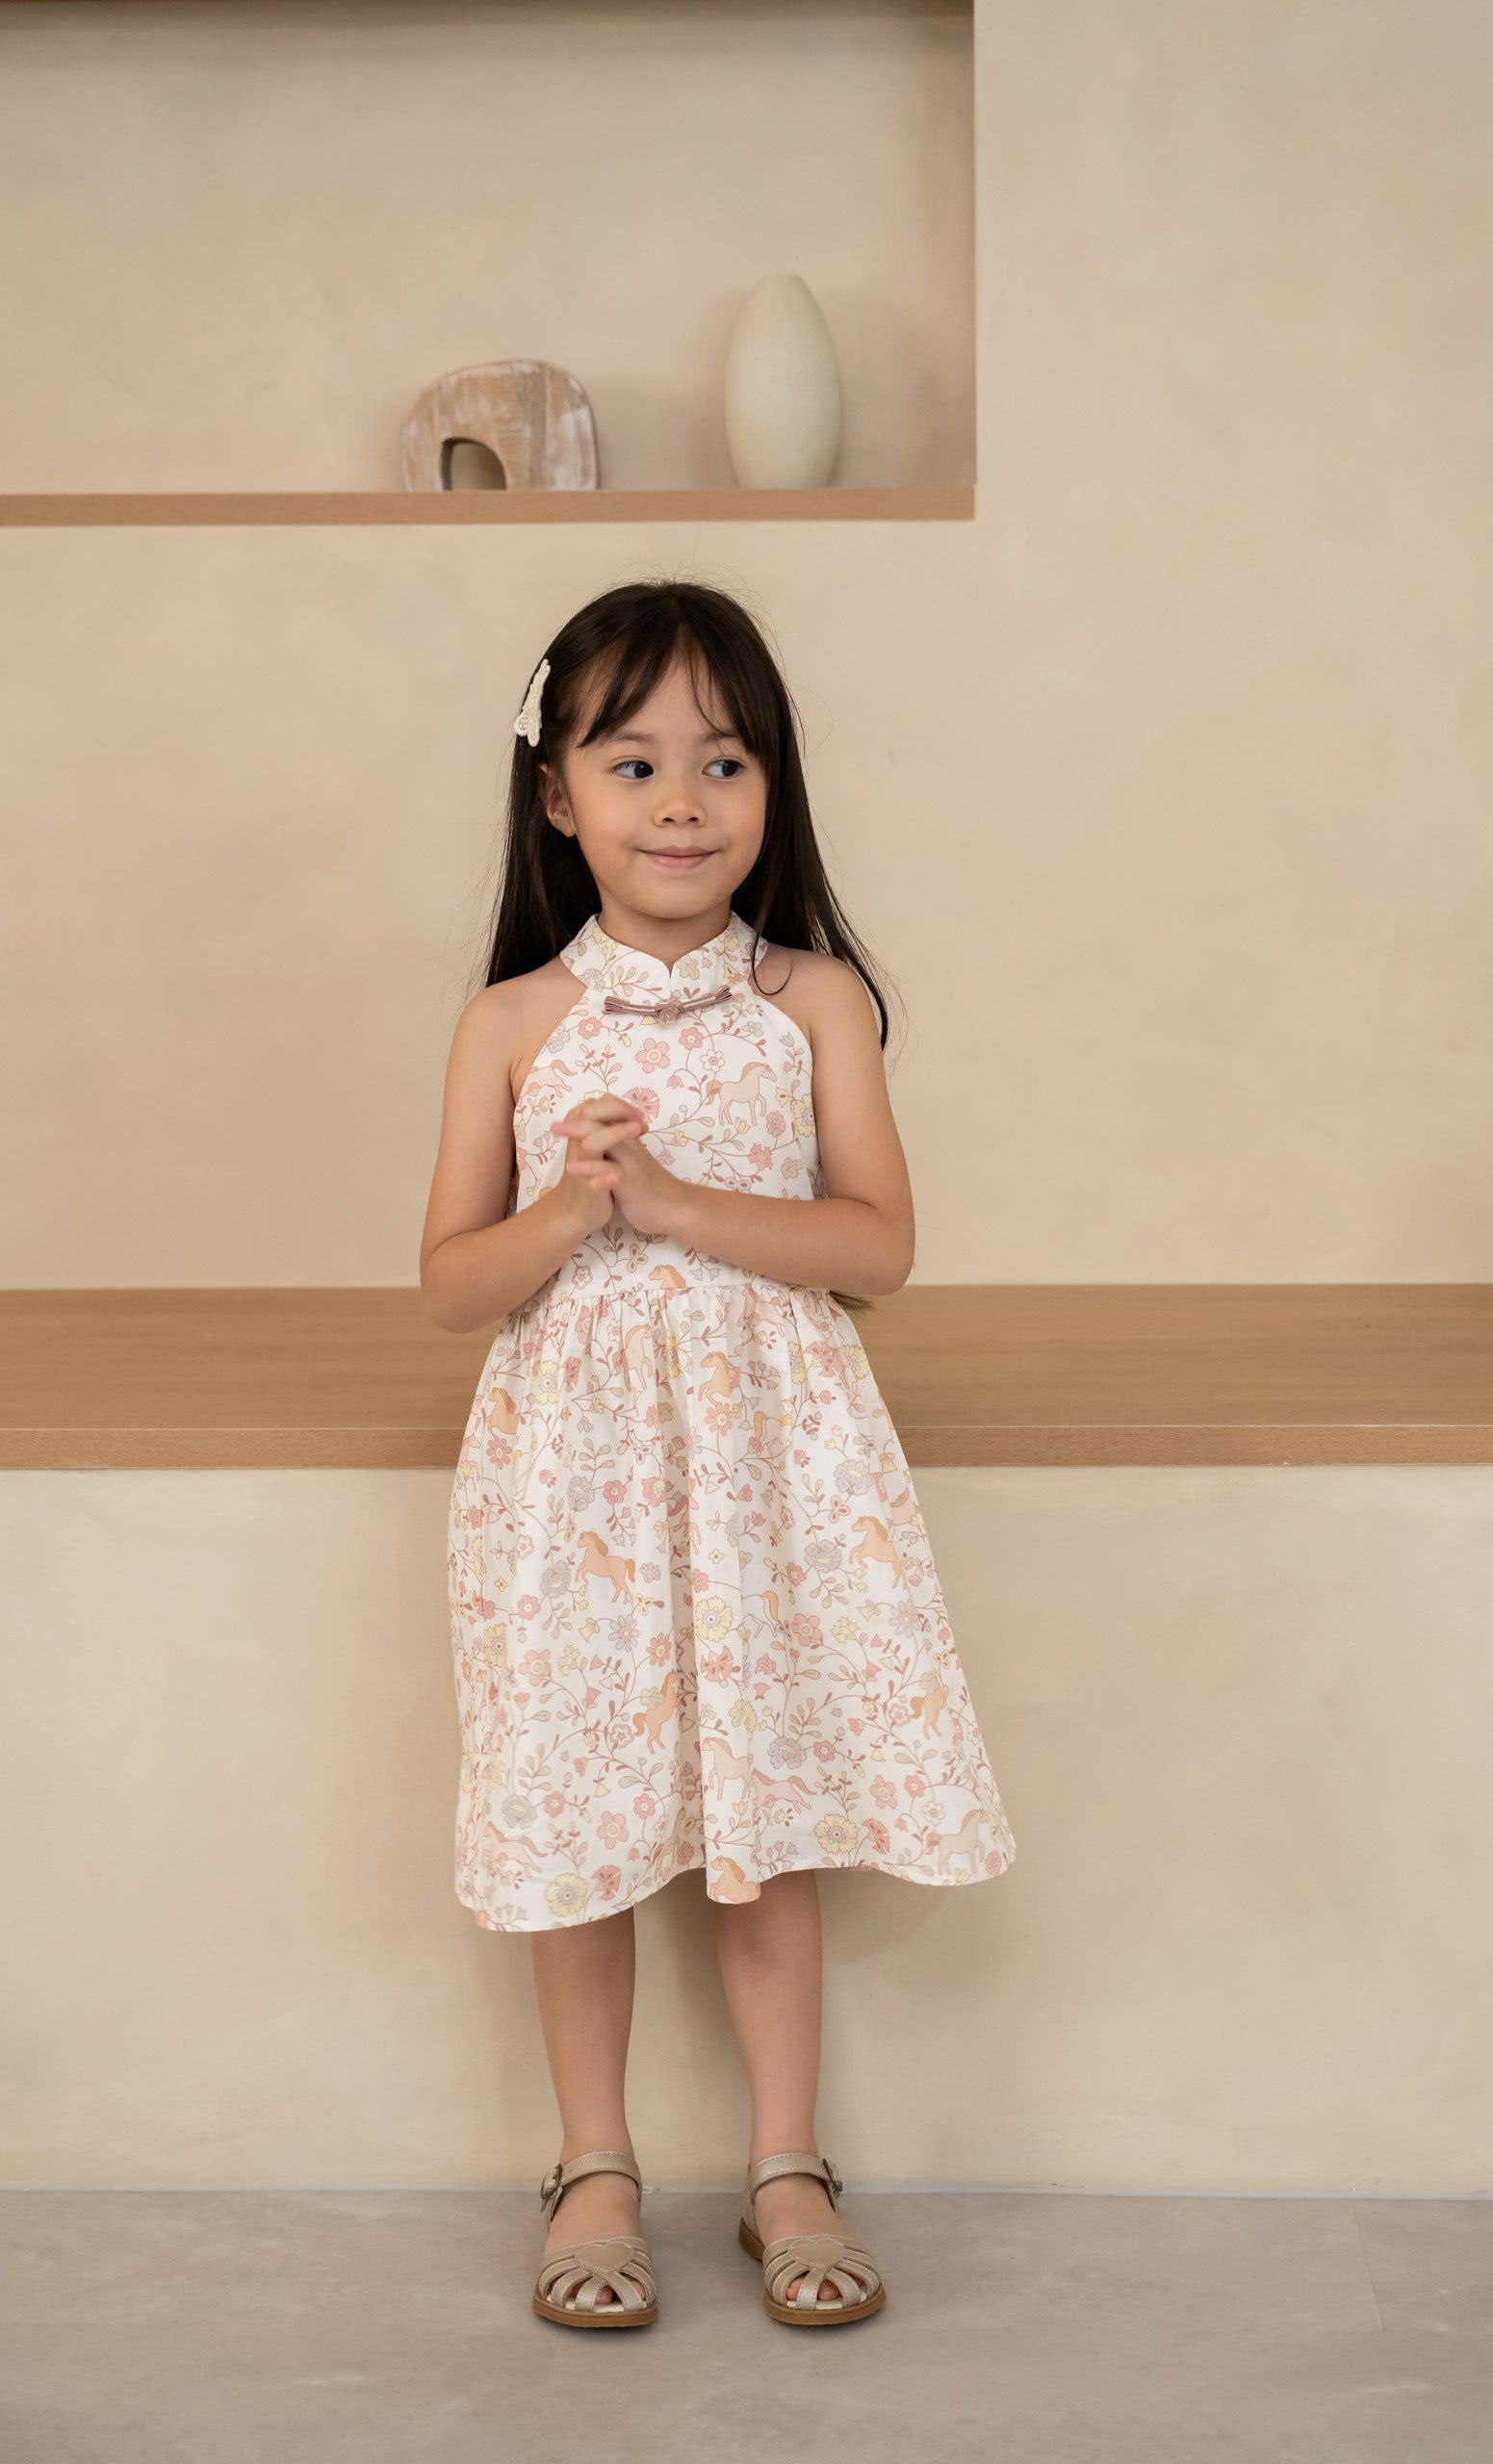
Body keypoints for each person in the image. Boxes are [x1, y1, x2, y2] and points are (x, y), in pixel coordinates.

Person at [421, 577, 1015, 2331]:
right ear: (556, 794)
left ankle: (785, 2164)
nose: (682, 802)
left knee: (770, 1815)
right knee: (577, 1814)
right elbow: (450, 1285)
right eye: (634, 763)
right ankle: (592, 2165)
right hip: (576, 1485)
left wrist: (675, 1202)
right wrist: (566, 1214)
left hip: (769, 1472)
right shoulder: (513, 1023)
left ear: (774, 787)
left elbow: (879, 1246)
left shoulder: (812, 1002)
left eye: (726, 761)